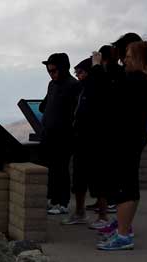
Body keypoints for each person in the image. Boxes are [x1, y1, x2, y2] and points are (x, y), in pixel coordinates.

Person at [98, 40, 147, 251]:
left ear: (140, 59)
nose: (125, 61)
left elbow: (109, 93)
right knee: (129, 184)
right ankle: (123, 230)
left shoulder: (136, 81)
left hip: (126, 140)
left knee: (126, 187)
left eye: (129, 57)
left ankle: (123, 235)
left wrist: (100, 68)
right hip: (132, 139)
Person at [39, 53, 81, 215]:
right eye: (49, 71)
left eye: (54, 70)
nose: (51, 74)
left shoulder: (74, 86)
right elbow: (45, 105)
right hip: (49, 134)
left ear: (63, 68)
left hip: (65, 136)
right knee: (52, 168)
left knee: (61, 168)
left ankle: (62, 203)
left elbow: (76, 112)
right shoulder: (52, 85)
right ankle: (52, 200)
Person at [62, 58, 98, 225]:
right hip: (79, 139)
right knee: (79, 178)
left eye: (81, 72)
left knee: (97, 179)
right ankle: (80, 211)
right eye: (77, 73)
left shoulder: (95, 90)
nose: (78, 76)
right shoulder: (80, 90)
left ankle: (103, 215)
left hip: (91, 139)